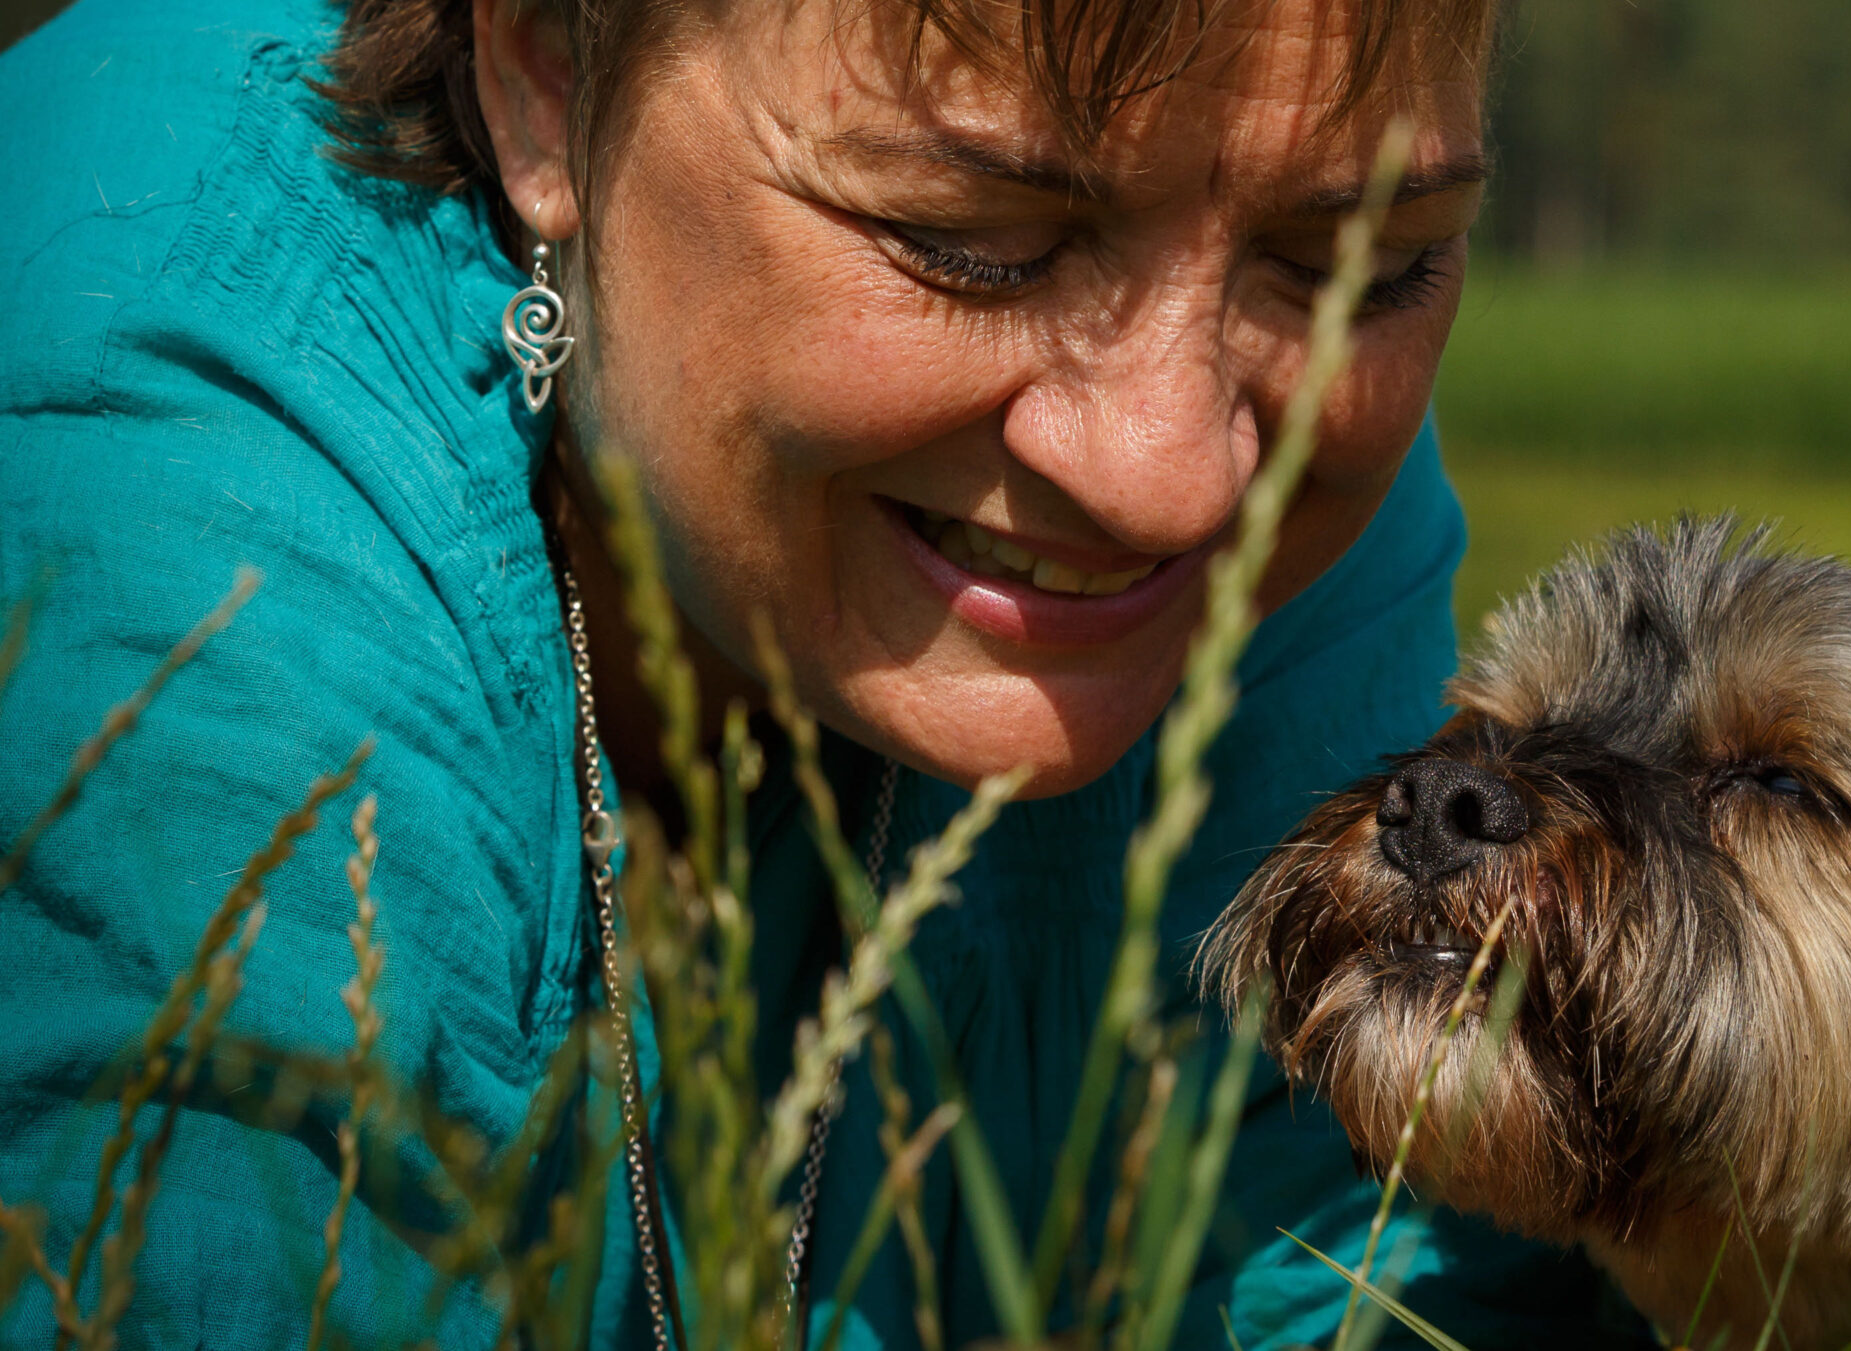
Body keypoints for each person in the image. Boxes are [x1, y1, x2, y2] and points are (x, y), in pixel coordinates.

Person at [0, 0, 1649, 1345]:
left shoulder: (1293, 491)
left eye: (1361, 264)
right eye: (974, 239)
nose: (1179, 479)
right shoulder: (170, 538)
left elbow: (1355, 1283)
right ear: (547, 75)